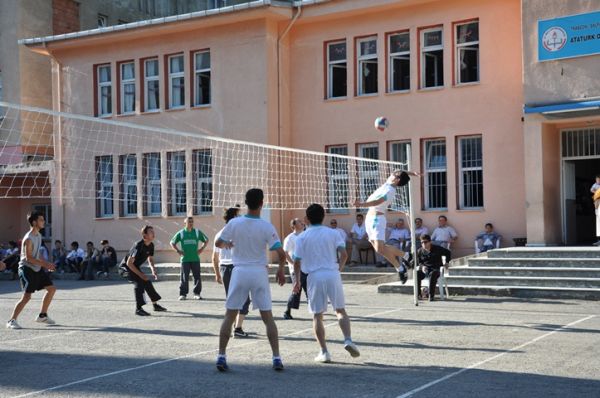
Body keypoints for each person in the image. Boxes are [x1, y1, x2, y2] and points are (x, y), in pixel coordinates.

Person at [214, 188, 287, 372]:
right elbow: (280, 252)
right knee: (268, 318)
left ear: (245, 203)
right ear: (261, 203)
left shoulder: (235, 223)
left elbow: (217, 243)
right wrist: (280, 270)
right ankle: (276, 358)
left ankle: (221, 355)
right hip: (258, 272)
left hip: (239, 271)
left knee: (230, 315)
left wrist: (227, 244)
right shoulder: (266, 226)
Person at [292, 203, 360, 363]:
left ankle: (324, 352)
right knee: (340, 310)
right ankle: (348, 339)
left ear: (306, 219)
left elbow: (296, 262)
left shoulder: (302, 236)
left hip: (314, 276)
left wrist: (296, 281)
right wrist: (338, 270)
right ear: (323, 217)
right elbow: (343, 255)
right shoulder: (333, 233)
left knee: (317, 315)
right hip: (332, 273)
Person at [353, 169, 419, 282]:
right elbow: (398, 170)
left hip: (377, 219)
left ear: (398, 180)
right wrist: (412, 173)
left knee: (380, 248)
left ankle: (404, 259)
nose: (392, 174)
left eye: (395, 176)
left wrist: (361, 204)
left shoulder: (390, 191)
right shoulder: (389, 181)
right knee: (379, 249)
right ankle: (403, 263)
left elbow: (377, 201)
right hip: (369, 218)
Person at [6, 212, 57, 329]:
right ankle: (11, 320)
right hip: (26, 269)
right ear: (34, 222)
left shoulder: (38, 235)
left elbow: (37, 253)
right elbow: (29, 258)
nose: (44, 222)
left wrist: (47, 263)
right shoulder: (28, 238)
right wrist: (45, 264)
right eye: (41, 220)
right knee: (27, 297)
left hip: (36, 268)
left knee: (51, 289)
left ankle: (42, 315)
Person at [212, 206, 251, 338]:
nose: (241, 218)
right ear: (234, 217)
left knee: (233, 299)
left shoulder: (219, 233)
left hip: (225, 268)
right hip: (236, 267)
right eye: (239, 215)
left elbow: (214, 257)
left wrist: (217, 273)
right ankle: (237, 328)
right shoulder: (239, 233)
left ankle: (234, 327)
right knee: (244, 299)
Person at [125, 225, 167, 316]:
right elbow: (129, 263)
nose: (153, 233)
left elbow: (150, 258)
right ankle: (138, 309)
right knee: (139, 283)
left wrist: (153, 268)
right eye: (151, 232)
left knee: (147, 282)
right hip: (126, 268)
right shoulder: (138, 245)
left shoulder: (151, 245)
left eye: (153, 231)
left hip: (135, 266)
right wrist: (140, 275)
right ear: (145, 235)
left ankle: (155, 305)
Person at [170, 216, 209, 301]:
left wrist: (201, 249)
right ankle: (183, 294)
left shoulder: (197, 232)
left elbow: (206, 240)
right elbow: (172, 242)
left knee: (197, 277)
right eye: (189, 222)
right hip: (185, 259)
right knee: (184, 277)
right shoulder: (181, 233)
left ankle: (197, 293)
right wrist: (178, 251)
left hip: (195, 258)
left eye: (192, 222)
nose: (191, 223)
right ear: (185, 223)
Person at [283, 218, 307, 320]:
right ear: (294, 225)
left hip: (306, 268)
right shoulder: (290, 238)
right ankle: (287, 311)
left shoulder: (305, 235)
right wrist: (293, 263)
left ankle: (316, 310)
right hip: (296, 269)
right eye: (299, 222)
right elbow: (285, 252)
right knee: (297, 290)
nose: (302, 223)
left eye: (302, 222)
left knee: (310, 290)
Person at [416, 234, 451, 302]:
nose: (423, 244)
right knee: (417, 274)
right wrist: (422, 266)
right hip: (425, 270)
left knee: (433, 273)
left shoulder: (437, 249)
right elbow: (419, 262)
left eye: (425, 242)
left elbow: (448, 252)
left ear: (429, 242)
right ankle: (418, 294)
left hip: (436, 269)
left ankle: (431, 295)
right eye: (422, 242)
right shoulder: (420, 251)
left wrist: (447, 262)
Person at [591, 176, 600, 246]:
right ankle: (599, 240)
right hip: (597, 202)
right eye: (597, 180)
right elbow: (591, 190)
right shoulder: (595, 185)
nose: (598, 181)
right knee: (598, 219)